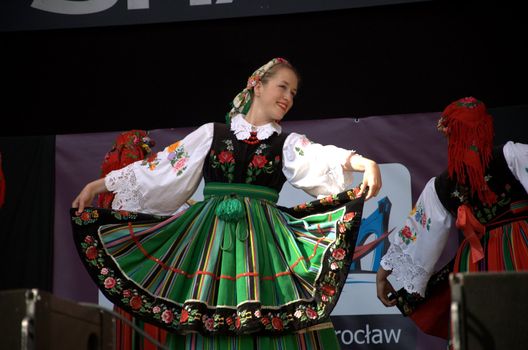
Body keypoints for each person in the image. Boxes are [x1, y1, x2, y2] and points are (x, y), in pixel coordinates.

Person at [71, 57, 382, 349]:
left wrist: (364, 162)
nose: (288, 96)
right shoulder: (212, 134)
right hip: (209, 240)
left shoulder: (286, 143)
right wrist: (99, 184)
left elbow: (320, 156)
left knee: (270, 310)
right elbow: (162, 168)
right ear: (257, 86)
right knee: (204, 314)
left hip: (263, 244)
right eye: (282, 87)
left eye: (294, 92)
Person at [375, 97, 528, 339]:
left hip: (478, 263)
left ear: (448, 134)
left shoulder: (440, 186)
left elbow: (417, 235)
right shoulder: (512, 155)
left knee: (485, 335)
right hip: (521, 246)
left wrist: (383, 273)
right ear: (486, 127)